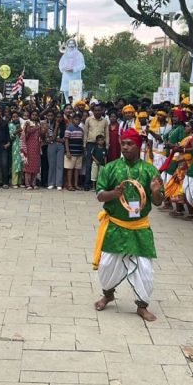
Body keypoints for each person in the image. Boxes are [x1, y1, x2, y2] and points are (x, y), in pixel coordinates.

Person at [92, 128, 165, 321]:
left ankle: (142, 305)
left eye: (129, 143)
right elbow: (100, 195)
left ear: (138, 145)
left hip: (140, 227)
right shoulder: (111, 168)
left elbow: (158, 202)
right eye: (123, 143)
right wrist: (114, 194)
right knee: (107, 265)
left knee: (145, 268)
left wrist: (155, 191)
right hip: (116, 225)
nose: (125, 147)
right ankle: (108, 295)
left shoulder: (150, 170)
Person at [83, 104, 108, 191]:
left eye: (99, 110)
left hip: (101, 145)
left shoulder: (105, 121)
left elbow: (106, 133)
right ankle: (87, 185)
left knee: (101, 166)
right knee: (89, 165)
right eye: (95, 110)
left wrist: (107, 145)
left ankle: (99, 185)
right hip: (90, 144)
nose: (97, 112)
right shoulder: (88, 120)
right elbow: (85, 133)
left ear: (102, 111)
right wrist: (84, 145)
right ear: (93, 111)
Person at [21, 110, 42, 189]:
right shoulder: (28, 123)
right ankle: (27, 184)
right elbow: (26, 133)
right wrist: (35, 128)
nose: (34, 116)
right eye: (33, 114)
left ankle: (33, 183)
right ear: (30, 115)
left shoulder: (38, 124)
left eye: (36, 115)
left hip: (37, 147)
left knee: (36, 165)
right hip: (29, 146)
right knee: (28, 165)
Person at [64, 112, 85, 191]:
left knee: (77, 169)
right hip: (71, 152)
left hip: (78, 152)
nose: (77, 121)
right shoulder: (69, 128)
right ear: (72, 120)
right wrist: (67, 151)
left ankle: (76, 184)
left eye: (79, 120)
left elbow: (82, 141)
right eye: (76, 119)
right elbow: (66, 140)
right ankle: (69, 184)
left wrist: (82, 150)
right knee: (70, 169)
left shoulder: (81, 130)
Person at [7, 110, 23, 188]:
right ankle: (14, 182)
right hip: (15, 146)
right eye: (13, 117)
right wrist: (16, 131)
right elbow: (10, 137)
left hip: (22, 146)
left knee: (21, 163)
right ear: (11, 118)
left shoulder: (21, 124)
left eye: (17, 117)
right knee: (15, 164)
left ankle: (20, 182)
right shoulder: (10, 125)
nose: (15, 118)